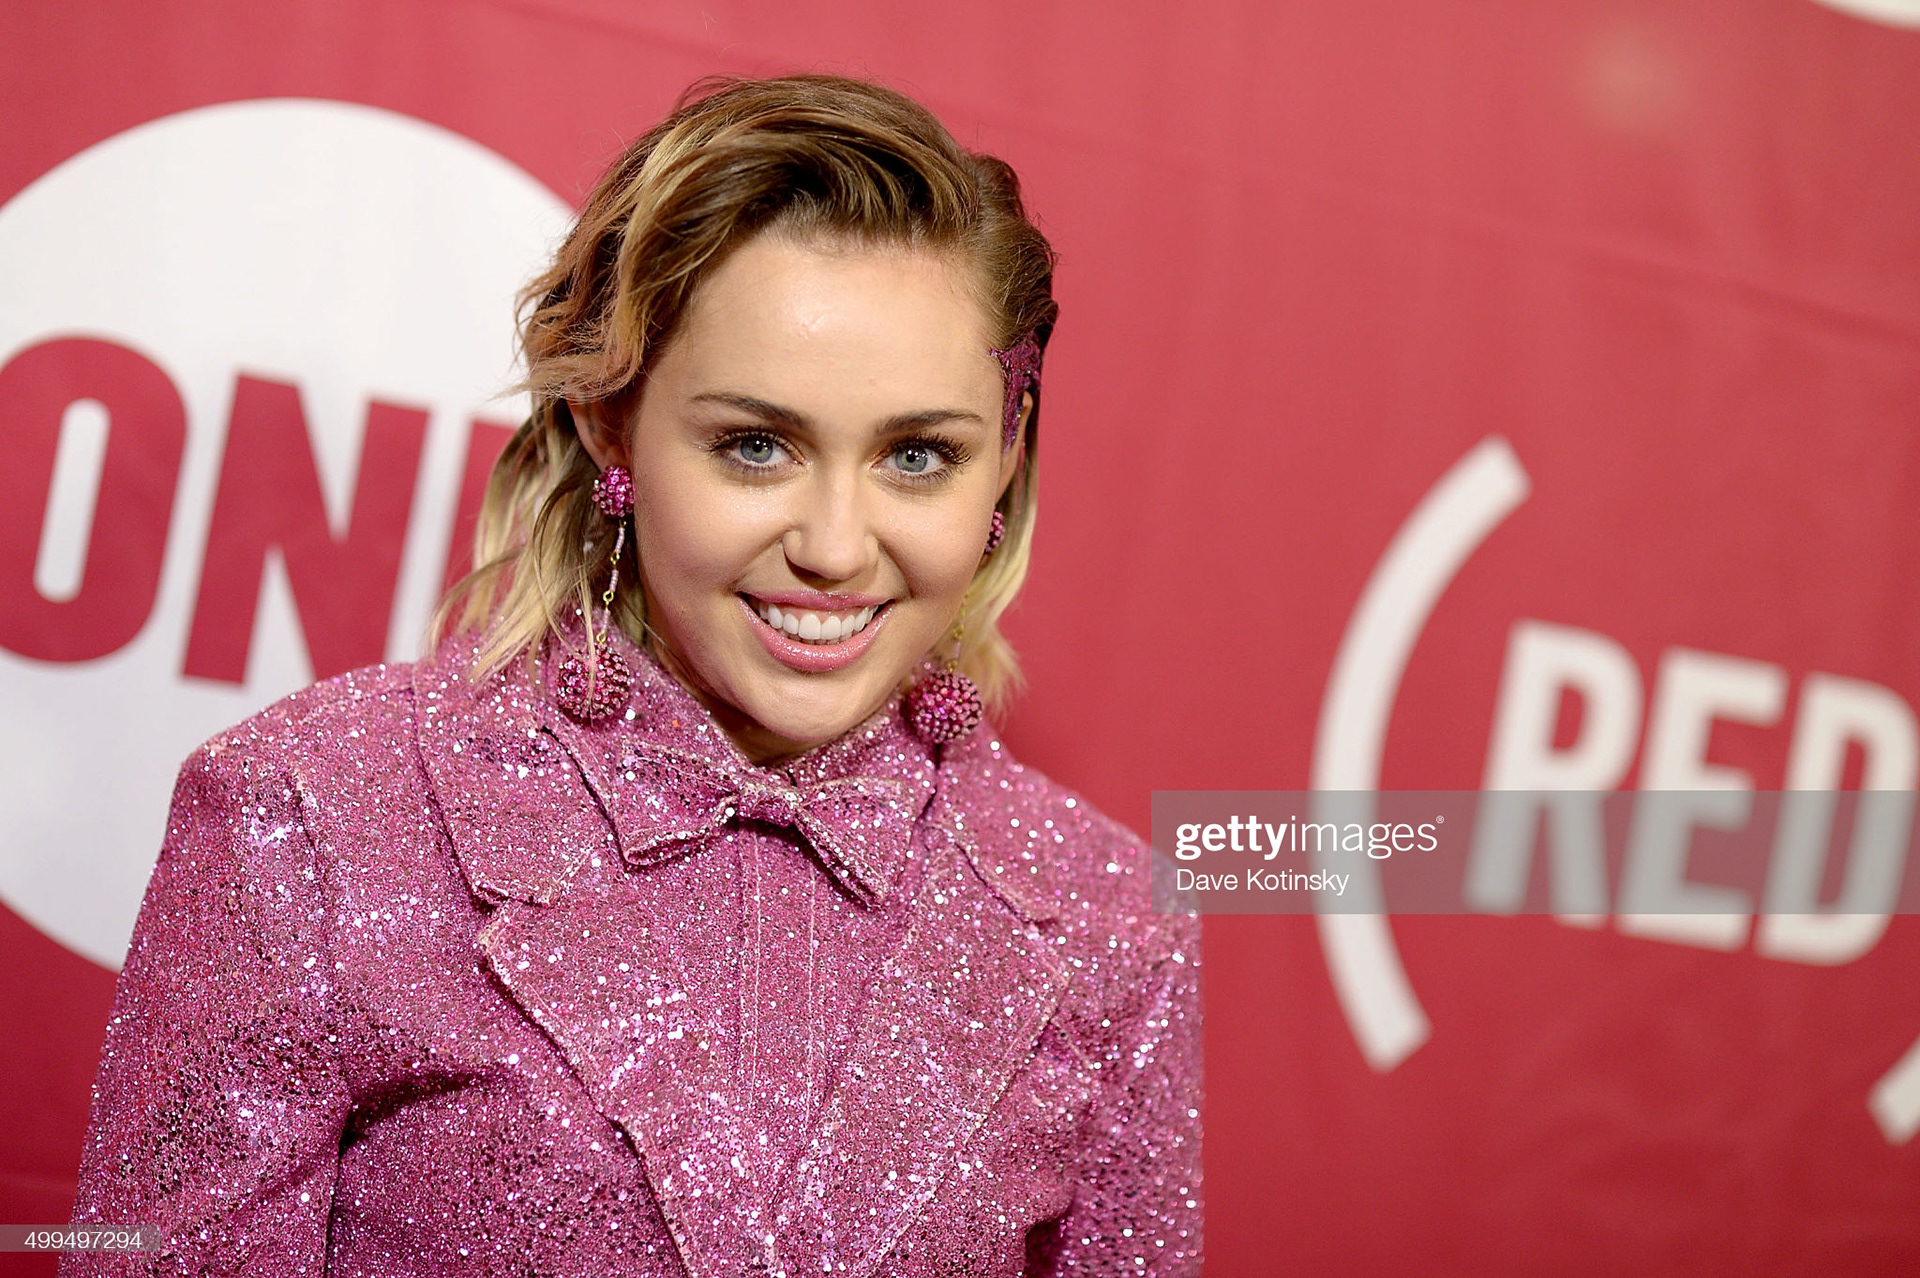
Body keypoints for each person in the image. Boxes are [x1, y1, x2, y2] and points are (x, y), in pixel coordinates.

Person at [63, 75, 1202, 1277]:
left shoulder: (1117, 922)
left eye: (918, 455)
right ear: (609, 420)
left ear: (1006, 456)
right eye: (755, 445)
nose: (834, 546)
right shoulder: (315, 810)